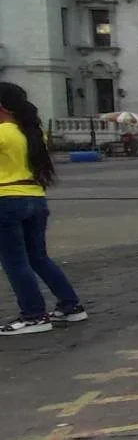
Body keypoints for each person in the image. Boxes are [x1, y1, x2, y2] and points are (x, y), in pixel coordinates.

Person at [0, 83, 85, 335]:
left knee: (15, 262)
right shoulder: (32, 132)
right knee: (38, 257)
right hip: (35, 196)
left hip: (6, 197)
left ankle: (34, 314)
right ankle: (70, 306)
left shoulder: (3, 133)